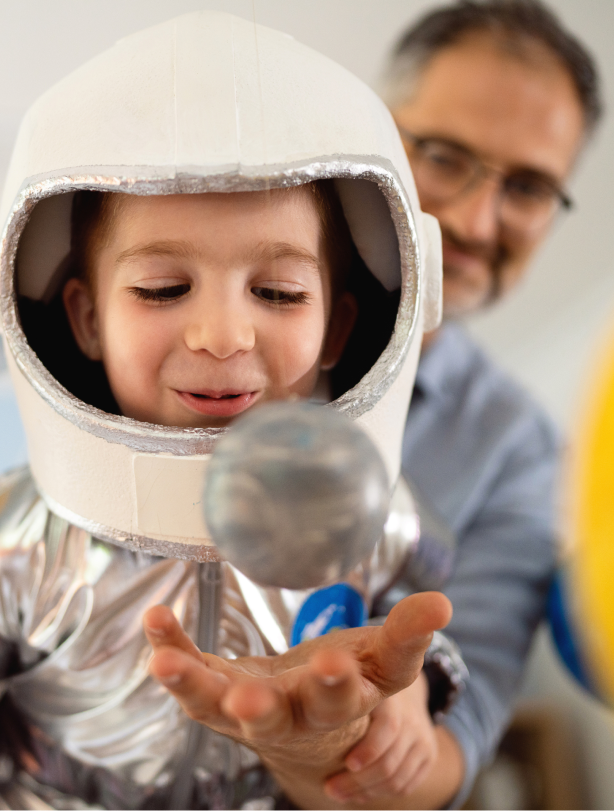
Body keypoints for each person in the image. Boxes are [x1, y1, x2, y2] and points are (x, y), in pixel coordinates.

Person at [0, 12, 452, 811]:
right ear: (87, 318)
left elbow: (415, 618)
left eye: (277, 292)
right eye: (163, 289)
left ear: (338, 326)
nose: (221, 334)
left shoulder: (372, 516)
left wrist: (416, 692)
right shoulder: (5, 552)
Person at [322, 1, 603, 808]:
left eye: (529, 186)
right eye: (445, 156)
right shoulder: (216, 329)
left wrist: (391, 749)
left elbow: (460, 739)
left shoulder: (522, 447)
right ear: (371, 135)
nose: (478, 222)